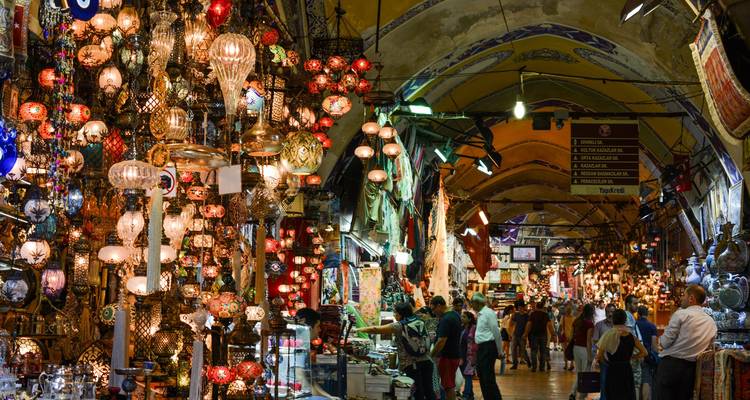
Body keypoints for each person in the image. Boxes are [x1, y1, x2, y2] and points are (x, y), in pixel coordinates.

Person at [355, 302, 436, 400]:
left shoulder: (399, 326)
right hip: (427, 361)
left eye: (395, 313)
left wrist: (358, 329)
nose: (394, 315)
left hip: (412, 364)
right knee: (429, 391)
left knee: (418, 393)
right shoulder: (420, 321)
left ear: (401, 314)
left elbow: (376, 329)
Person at [655, 285, 716, 400]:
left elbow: (665, 342)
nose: (681, 298)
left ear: (691, 298)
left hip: (671, 366)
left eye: (684, 295)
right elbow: (710, 347)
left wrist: (661, 340)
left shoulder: (681, 314)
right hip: (692, 370)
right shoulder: (710, 322)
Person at [595, 309, 648, 400]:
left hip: (612, 369)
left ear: (613, 319)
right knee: (626, 394)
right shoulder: (631, 336)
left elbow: (599, 356)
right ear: (625, 320)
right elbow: (644, 352)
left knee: (613, 395)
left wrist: (608, 363)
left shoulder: (608, 335)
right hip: (626, 368)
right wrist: (632, 357)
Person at [295, 308, 340, 400]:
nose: (319, 330)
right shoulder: (298, 349)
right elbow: (304, 383)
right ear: (309, 327)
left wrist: (329, 397)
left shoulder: (304, 347)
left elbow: (311, 382)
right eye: (318, 326)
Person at [470, 293, 503, 400]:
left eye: (472, 302)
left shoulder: (488, 313)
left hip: (488, 348)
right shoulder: (480, 314)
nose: (471, 305)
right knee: (482, 376)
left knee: (488, 377)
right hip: (482, 348)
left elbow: (496, 332)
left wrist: (500, 351)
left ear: (477, 303)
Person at [430, 296, 462, 400]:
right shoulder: (455, 315)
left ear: (439, 306)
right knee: (449, 385)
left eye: (433, 309)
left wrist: (431, 355)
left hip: (447, 357)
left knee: (448, 386)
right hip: (453, 355)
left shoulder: (446, 319)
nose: (433, 312)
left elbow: (441, 341)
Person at [569, 304, 594, 400]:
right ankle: (582, 395)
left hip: (576, 348)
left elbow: (571, 336)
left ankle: (573, 393)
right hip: (584, 350)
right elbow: (588, 341)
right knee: (585, 373)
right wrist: (590, 355)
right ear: (591, 312)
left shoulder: (576, 321)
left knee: (579, 373)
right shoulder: (589, 324)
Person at [593, 303, 616, 400]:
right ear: (605, 313)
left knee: (615, 382)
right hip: (604, 359)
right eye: (608, 312)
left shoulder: (619, 326)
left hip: (617, 360)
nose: (610, 314)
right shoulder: (599, 325)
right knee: (603, 381)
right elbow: (595, 341)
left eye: (612, 312)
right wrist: (596, 357)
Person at [523, 300, 554, 372]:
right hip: (543, 334)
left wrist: (525, 334)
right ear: (542, 307)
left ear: (536, 307)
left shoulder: (533, 314)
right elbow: (550, 325)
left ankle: (534, 367)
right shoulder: (545, 315)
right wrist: (553, 334)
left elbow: (529, 325)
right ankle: (542, 367)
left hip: (534, 335)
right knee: (543, 351)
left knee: (534, 351)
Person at [636, 306, 658, 400]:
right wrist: (656, 355)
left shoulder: (634, 325)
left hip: (636, 355)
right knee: (646, 379)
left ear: (638, 314)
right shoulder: (652, 326)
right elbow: (654, 345)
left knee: (636, 382)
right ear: (647, 314)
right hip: (647, 355)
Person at [624, 295, 643, 399]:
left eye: (637, 303)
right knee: (635, 382)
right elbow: (632, 336)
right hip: (634, 353)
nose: (637, 306)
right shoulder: (628, 316)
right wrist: (640, 351)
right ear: (628, 304)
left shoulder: (630, 316)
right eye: (635, 304)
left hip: (634, 352)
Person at [459, 311, 478, 400]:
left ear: (470, 319)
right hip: (463, 355)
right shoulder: (462, 328)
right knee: (467, 375)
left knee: (468, 375)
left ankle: (466, 395)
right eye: (462, 316)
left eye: (464, 317)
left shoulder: (474, 328)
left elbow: (475, 343)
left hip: (471, 355)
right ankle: (471, 395)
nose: (462, 318)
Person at [508, 299, 531, 369]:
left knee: (523, 350)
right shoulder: (515, 315)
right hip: (515, 334)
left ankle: (528, 361)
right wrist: (510, 334)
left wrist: (526, 334)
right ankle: (515, 364)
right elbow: (511, 324)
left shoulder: (526, 316)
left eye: (521, 307)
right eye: (519, 308)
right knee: (513, 350)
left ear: (523, 308)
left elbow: (528, 325)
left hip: (522, 335)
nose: (520, 309)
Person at [560, 303, 575, 371]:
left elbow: (560, 327)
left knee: (565, 351)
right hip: (572, 336)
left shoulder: (563, 318)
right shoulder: (574, 318)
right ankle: (571, 364)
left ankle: (566, 365)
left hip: (565, 336)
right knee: (572, 351)